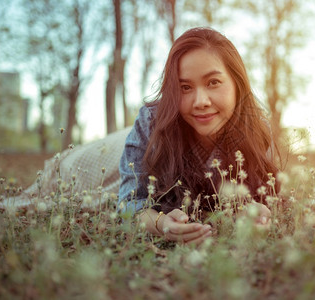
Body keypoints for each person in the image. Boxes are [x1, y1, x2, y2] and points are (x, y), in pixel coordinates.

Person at [118, 27, 279, 245]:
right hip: (114, 151)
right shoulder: (151, 122)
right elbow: (128, 202)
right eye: (185, 87)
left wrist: (257, 211)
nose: (200, 101)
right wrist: (160, 223)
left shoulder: (256, 130)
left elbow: (262, 195)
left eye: (213, 82)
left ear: (237, 83)